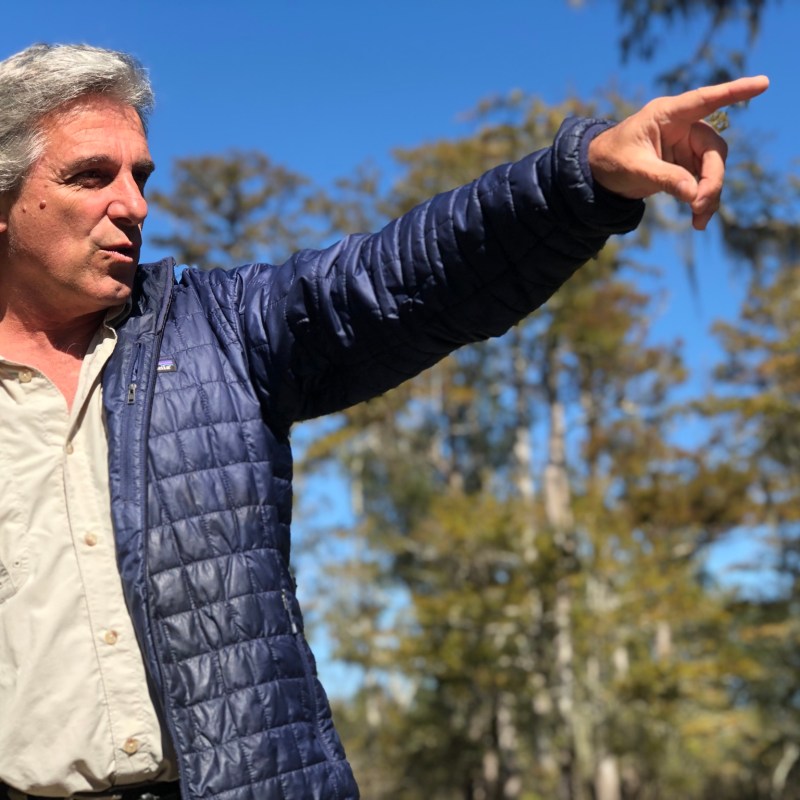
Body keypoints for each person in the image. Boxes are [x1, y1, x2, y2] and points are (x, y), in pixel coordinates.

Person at [0, 42, 767, 800]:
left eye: (140, 175)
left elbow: (403, 277)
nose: (132, 204)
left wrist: (580, 178)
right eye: (90, 176)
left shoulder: (221, 333)